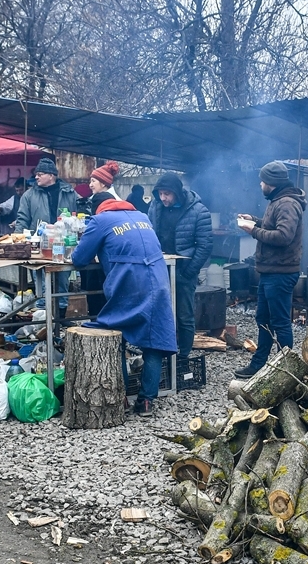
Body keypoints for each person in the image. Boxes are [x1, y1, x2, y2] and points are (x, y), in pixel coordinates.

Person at [70, 192, 176, 417]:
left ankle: (122, 398)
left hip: (130, 283)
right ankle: (147, 401)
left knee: (115, 332)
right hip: (158, 281)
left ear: (97, 208)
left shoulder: (99, 220)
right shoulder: (142, 216)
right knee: (153, 340)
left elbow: (78, 259)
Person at [234, 161, 305, 379]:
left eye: (262, 181)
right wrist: (254, 220)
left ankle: (287, 371)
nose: (260, 184)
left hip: (280, 273)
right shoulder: (277, 201)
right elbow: (272, 225)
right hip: (270, 272)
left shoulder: (286, 204)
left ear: (271, 183)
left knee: (281, 322)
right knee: (263, 319)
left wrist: (254, 231)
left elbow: (283, 236)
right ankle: (259, 364)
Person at [147, 172, 212, 359]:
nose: (163, 198)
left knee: (184, 315)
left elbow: (205, 245)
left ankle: (183, 356)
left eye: (167, 194)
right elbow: (149, 233)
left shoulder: (199, 211)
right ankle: (163, 352)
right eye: (160, 193)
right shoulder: (155, 206)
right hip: (160, 269)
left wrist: (189, 271)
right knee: (160, 312)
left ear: (177, 192)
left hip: (184, 271)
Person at [13, 157, 76, 316]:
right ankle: (43, 319)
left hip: (64, 243)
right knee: (40, 281)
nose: (36, 177)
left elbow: (80, 214)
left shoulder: (69, 192)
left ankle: (60, 318)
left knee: (62, 280)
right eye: (36, 174)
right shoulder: (29, 195)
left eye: (40, 174)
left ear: (51, 175)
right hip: (39, 245)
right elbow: (22, 219)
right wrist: (17, 241)